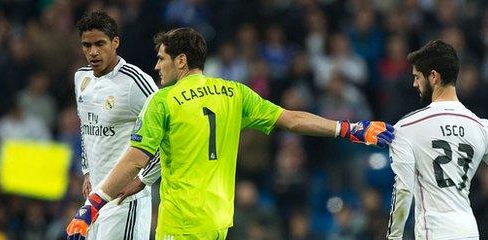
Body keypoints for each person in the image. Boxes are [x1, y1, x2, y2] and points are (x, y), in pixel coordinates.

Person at [66, 27, 394, 240]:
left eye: (161, 58)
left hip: (181, 224)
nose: (156, 67)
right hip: (219, 221)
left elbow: (135, 159)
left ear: (180, 61)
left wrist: (91, 207)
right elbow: (291, 119)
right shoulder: (233, 92)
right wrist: (348, 128)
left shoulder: (162, 101)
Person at [386, 40, 488, 240]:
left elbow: (404, 189)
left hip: (435, 231)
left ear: (433, 76)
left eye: (417, 77)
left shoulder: (408, 127)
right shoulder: (480, 127)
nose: (414, 84)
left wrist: (394, 237)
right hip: (468, 230)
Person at [65, 11, 160, 240]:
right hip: (95, 198)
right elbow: (86, 127)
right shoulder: (81, 78)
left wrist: (144, 179)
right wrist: (87, 172)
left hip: (125, 200)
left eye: (100, 43)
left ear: (115, 42)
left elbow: (166, 130)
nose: (93, 52)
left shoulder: (135, 82)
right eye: (86, 45)